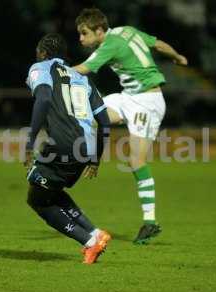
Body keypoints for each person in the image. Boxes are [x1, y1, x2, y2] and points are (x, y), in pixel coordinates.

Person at [73, 8, 188, 244]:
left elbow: (84, 68)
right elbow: (158, 44)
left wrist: (52, 71)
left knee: (136, 161)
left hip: (147, 103)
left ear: (99, 30)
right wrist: (177, 57)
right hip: (128, 96)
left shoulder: (110, 44)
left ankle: (150, 222)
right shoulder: (128, 31)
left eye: (84, 34)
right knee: (90, 113)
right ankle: (87, 158)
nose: (81, 39)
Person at [24, 33, 111, 264]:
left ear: (42, 53)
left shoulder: (41, 68)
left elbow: (42, 100)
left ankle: (89, 242)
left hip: (64, 143)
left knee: (37, 199)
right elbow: (104, 121)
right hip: (86, 147)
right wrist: (95, 158)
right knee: (49, 189)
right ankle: (95, 233)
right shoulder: (82, 77)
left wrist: (30, 141)